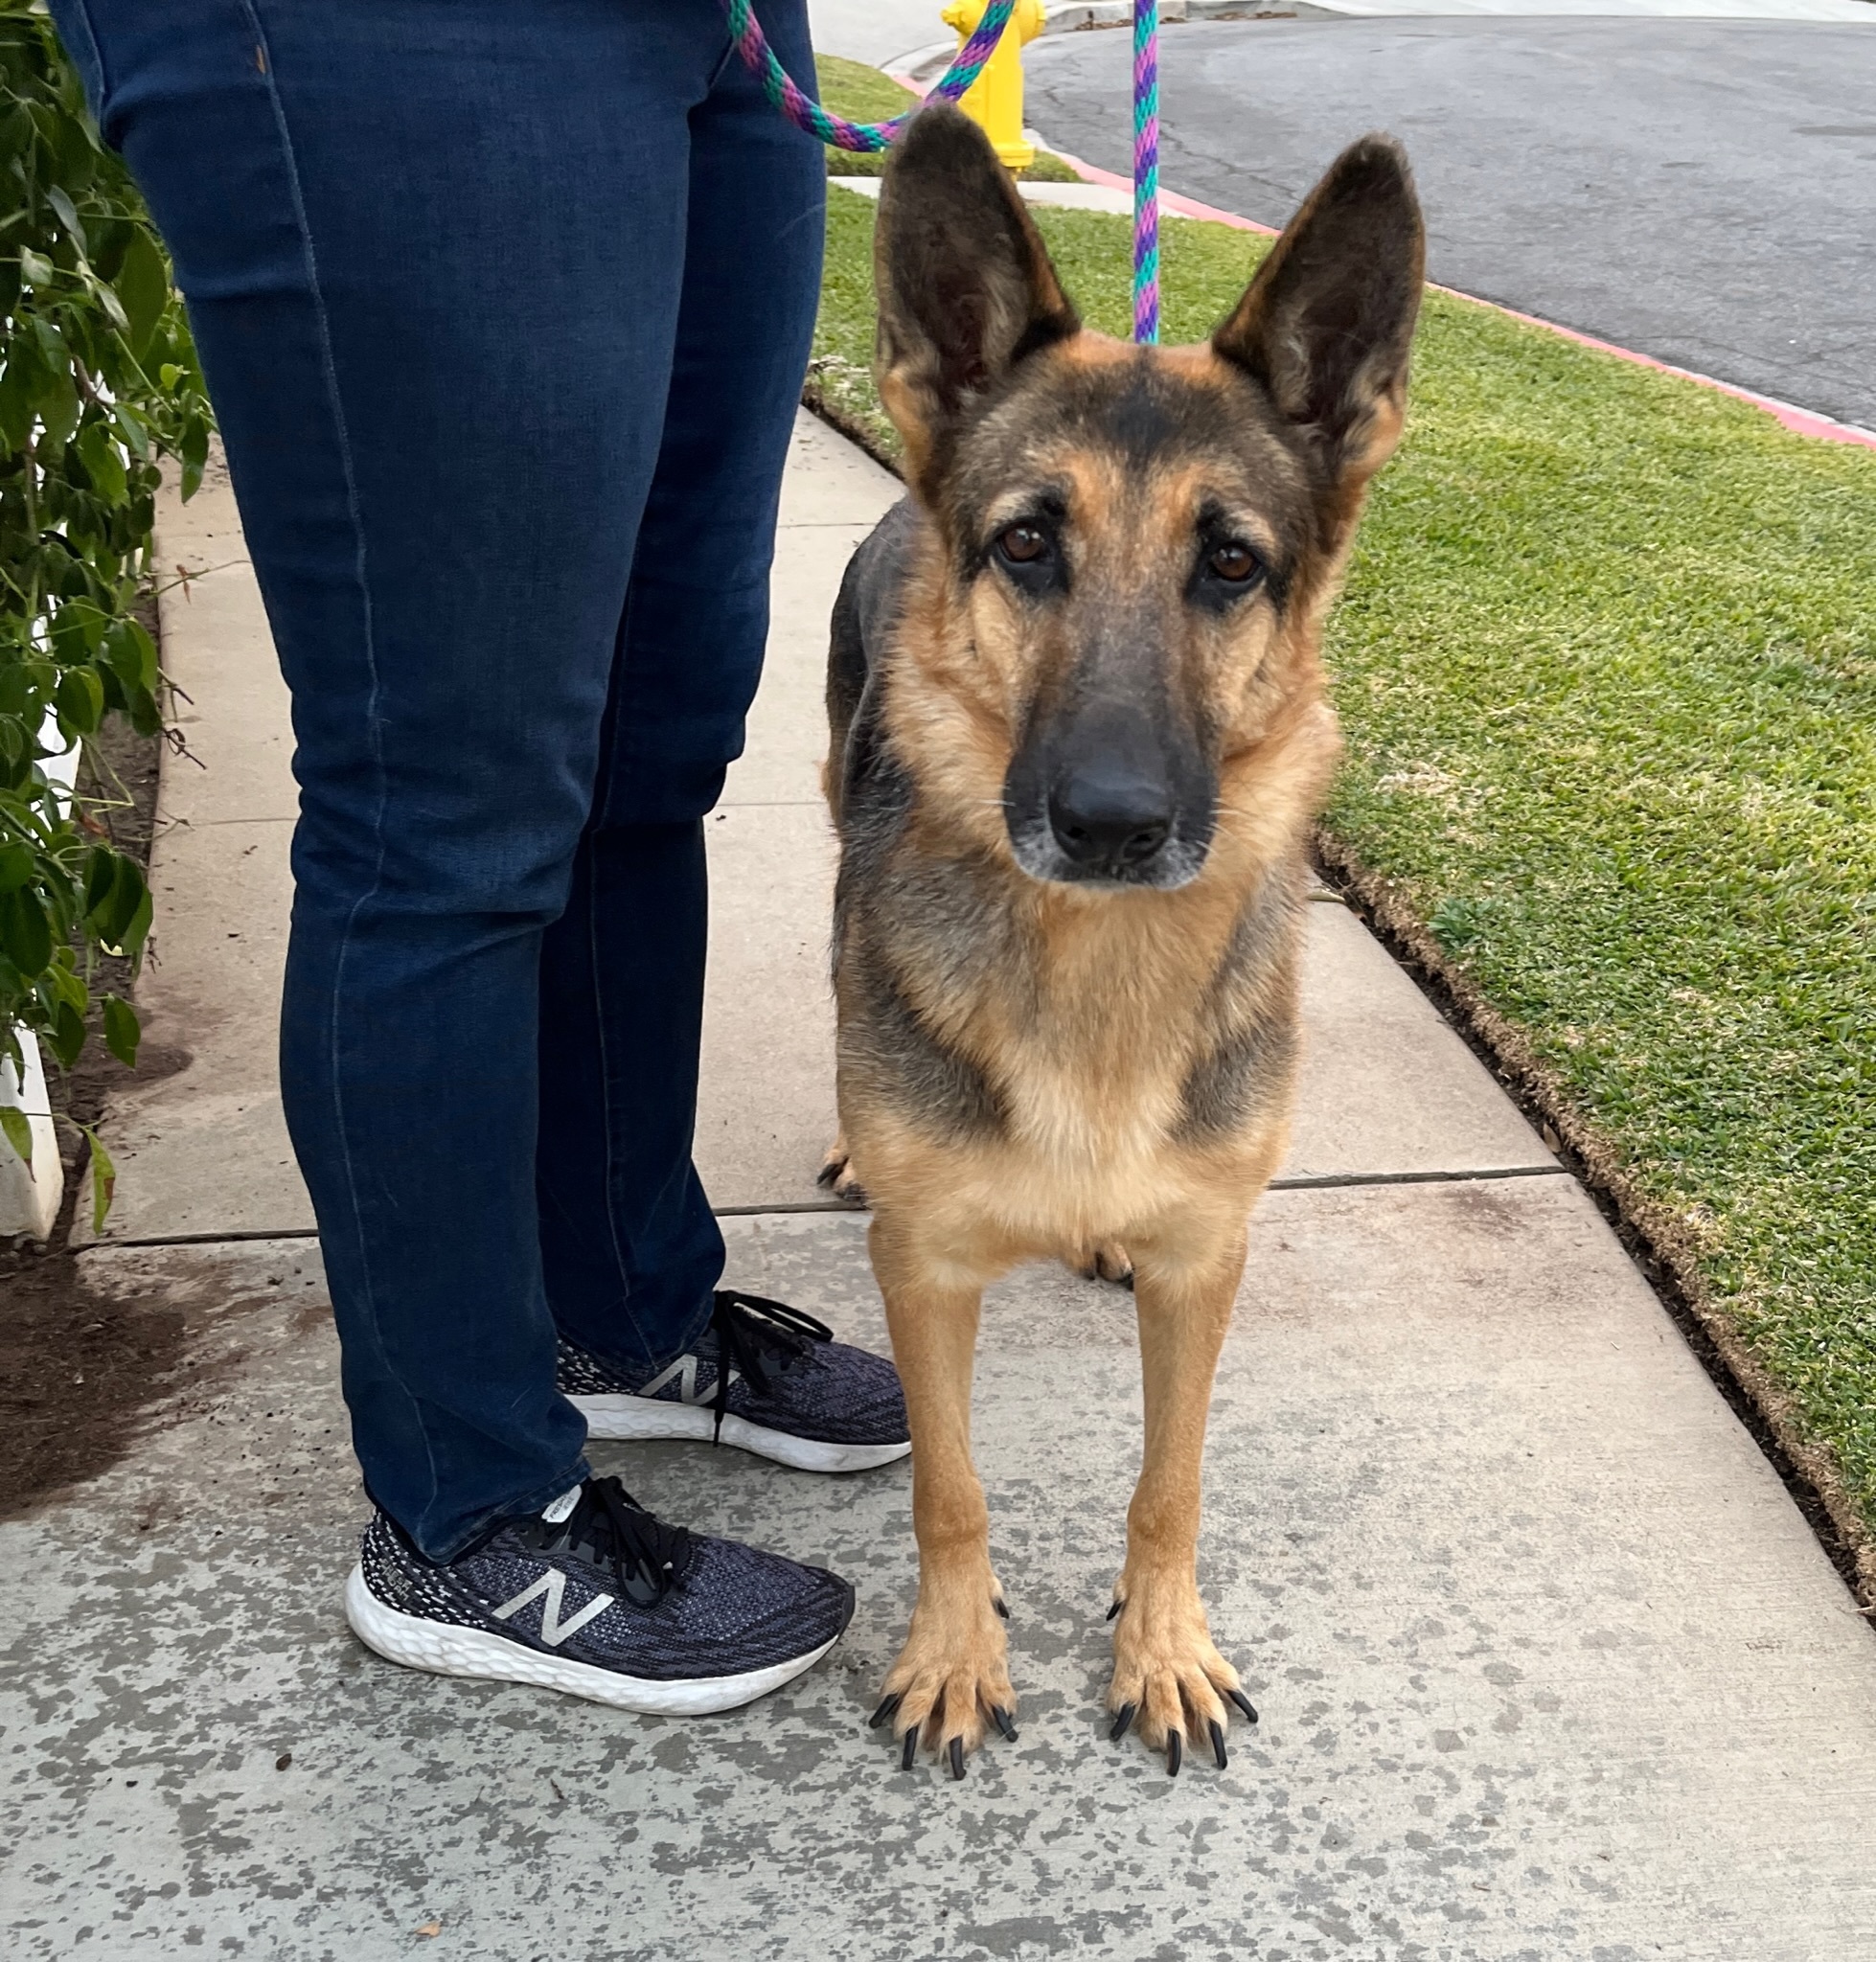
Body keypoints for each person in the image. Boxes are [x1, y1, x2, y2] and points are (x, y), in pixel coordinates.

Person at [50, 0, 908, 1713]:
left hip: (708, 31)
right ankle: (465, 1513)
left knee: (648, 738)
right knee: (449, 798)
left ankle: (618, 1306)